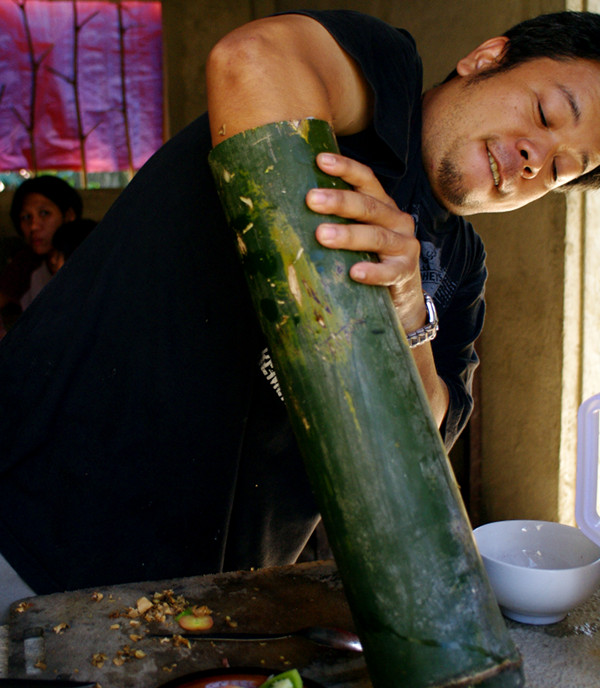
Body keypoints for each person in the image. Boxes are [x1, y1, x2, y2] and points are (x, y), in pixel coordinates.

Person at [0, 9, 599, 600]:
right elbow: (252, 60)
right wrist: (342, 288)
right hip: (40, 509)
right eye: (545, 114)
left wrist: (411, 314)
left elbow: (424, 441)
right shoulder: (382, 82)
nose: (533, 160)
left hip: (218, 587)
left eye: (559, 169)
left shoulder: (462, 268)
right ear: (486, 59)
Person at [0, 175, 82, 318]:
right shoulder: (25, 264)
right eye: (26, 217)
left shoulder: (88, 256)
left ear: (69, 215)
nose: (34, 226)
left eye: (44, 213)